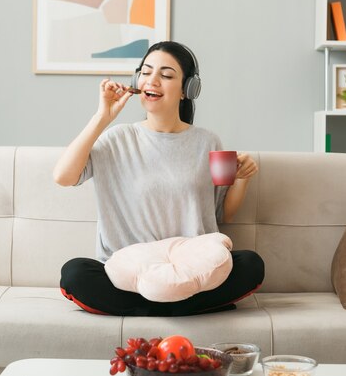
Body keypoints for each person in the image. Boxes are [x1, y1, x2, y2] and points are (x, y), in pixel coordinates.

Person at [54, 41, 264, 316]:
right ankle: (183, 306)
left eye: (166, 75)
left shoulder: (207, 141)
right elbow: (63, 177)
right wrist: (101, 117)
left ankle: (152, 306)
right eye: (146, 72)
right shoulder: (116, 138)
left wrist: (242, 178)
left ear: (188, 90)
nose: (152, 80)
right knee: (75, 273)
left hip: (192, 266)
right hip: (130, 273)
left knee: (251, 264)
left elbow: (224, 214)